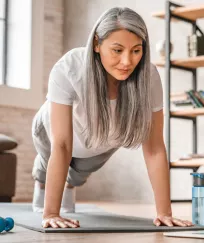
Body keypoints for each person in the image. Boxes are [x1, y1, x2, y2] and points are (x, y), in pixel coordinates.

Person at [31, 7, 194, 229]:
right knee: (48, 155)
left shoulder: (149, 78)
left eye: (136, 51)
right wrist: (51, 213)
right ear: (97, 44)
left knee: (79, 172)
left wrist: (164, 213)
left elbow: (155, 147)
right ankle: (42, 180)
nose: (127, 62)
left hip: (98, 138)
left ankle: (70, 183)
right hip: (51, 129)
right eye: (117, 50)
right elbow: (61, 144)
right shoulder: (70, 67)